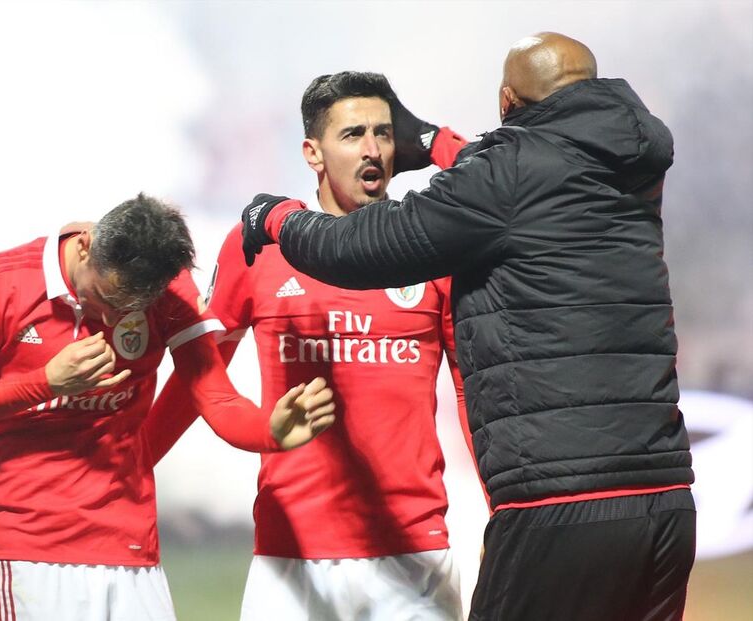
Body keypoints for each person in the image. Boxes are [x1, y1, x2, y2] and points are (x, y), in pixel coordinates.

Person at [240, 33, 695, 621]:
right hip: (664, 501)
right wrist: (435, 143)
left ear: (507, 101)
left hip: (562, 501)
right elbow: (522, 176)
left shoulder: (506, 176)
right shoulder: (631, 165)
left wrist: (276, 217)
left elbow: (365, 247)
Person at [0, 193, 336, 621]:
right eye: (107, 300)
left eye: (130, 309)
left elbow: (215, 396)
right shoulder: (1, 281)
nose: (114, 321)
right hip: (31, 556)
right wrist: (45, 383)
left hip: (132, 552)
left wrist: (270, 430)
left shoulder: (167, 289)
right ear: (84, 246)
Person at [145, 72, 471, 621]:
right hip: (290, 554)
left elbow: (473, 393)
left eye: (384, 134)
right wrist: (133, 463)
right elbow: (201, 374)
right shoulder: (259, 244)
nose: (372, 150)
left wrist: (506, 508)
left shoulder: (430, 243)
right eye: (352, 135)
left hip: (415, 554)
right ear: (312, 153)